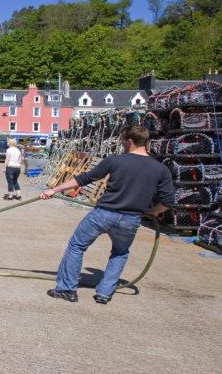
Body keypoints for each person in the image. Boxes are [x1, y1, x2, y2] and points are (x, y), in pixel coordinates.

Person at [40, 125, 175, 304]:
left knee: (76, 246)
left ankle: (67, 289)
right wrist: (152, 212)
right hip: (131, 219)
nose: (121, 145)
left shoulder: (116, 160)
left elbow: (84, 178)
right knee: (120, 253)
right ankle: (104, 293)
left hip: (104, 214)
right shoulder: (160, 169)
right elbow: (168, 201)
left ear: (129, 141)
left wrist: (54, 189)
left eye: (122, 141)